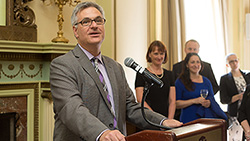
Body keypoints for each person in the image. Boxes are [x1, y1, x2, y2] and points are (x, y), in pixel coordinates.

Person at [50, 2, 182, 141]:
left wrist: (162, 122)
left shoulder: (116, 67)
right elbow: (72, 109)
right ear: (75, 31)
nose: (94, 25)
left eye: (98, 20)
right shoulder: (62, 65)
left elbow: (131, 107)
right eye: (86, 22)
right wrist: (102, 133)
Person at [172, 39, 219, 120]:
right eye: (190, 49)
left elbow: (214, 89)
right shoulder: (178, 72)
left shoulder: (206, 76)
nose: (196, 65)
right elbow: (174, 98)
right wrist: (194, 100)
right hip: (184, 113)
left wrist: (206, 101)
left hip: (205, 113)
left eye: (195, 49)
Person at [175, 53, 227, 124]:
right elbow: (177, 104)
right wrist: (194, 101)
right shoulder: (180, 81)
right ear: (187, 65)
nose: (196, 65)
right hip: (188, 119)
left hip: (205, 119)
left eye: (198, 62)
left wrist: (208, 103)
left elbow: (212, 99)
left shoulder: (206, 81)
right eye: (192, 62)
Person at [135, 40, 176, 119]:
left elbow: (172, 101)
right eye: (156, 54)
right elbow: (140, 99)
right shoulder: (141, 73)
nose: (159, 57)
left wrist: (169, 120)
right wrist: (156, 118)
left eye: (162, 54)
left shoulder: (170, 74)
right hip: (148, 117)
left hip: (166, 117)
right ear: (149, 54)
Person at [220, 53, 250, 141]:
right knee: (235, 138)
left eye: (236, 60)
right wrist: (238, 97)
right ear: (227, 64)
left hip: (247, 112)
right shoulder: (225, 79)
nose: (234, 63)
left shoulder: (247, 76)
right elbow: (223, 99)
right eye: (231, 61)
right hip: (234, 114)